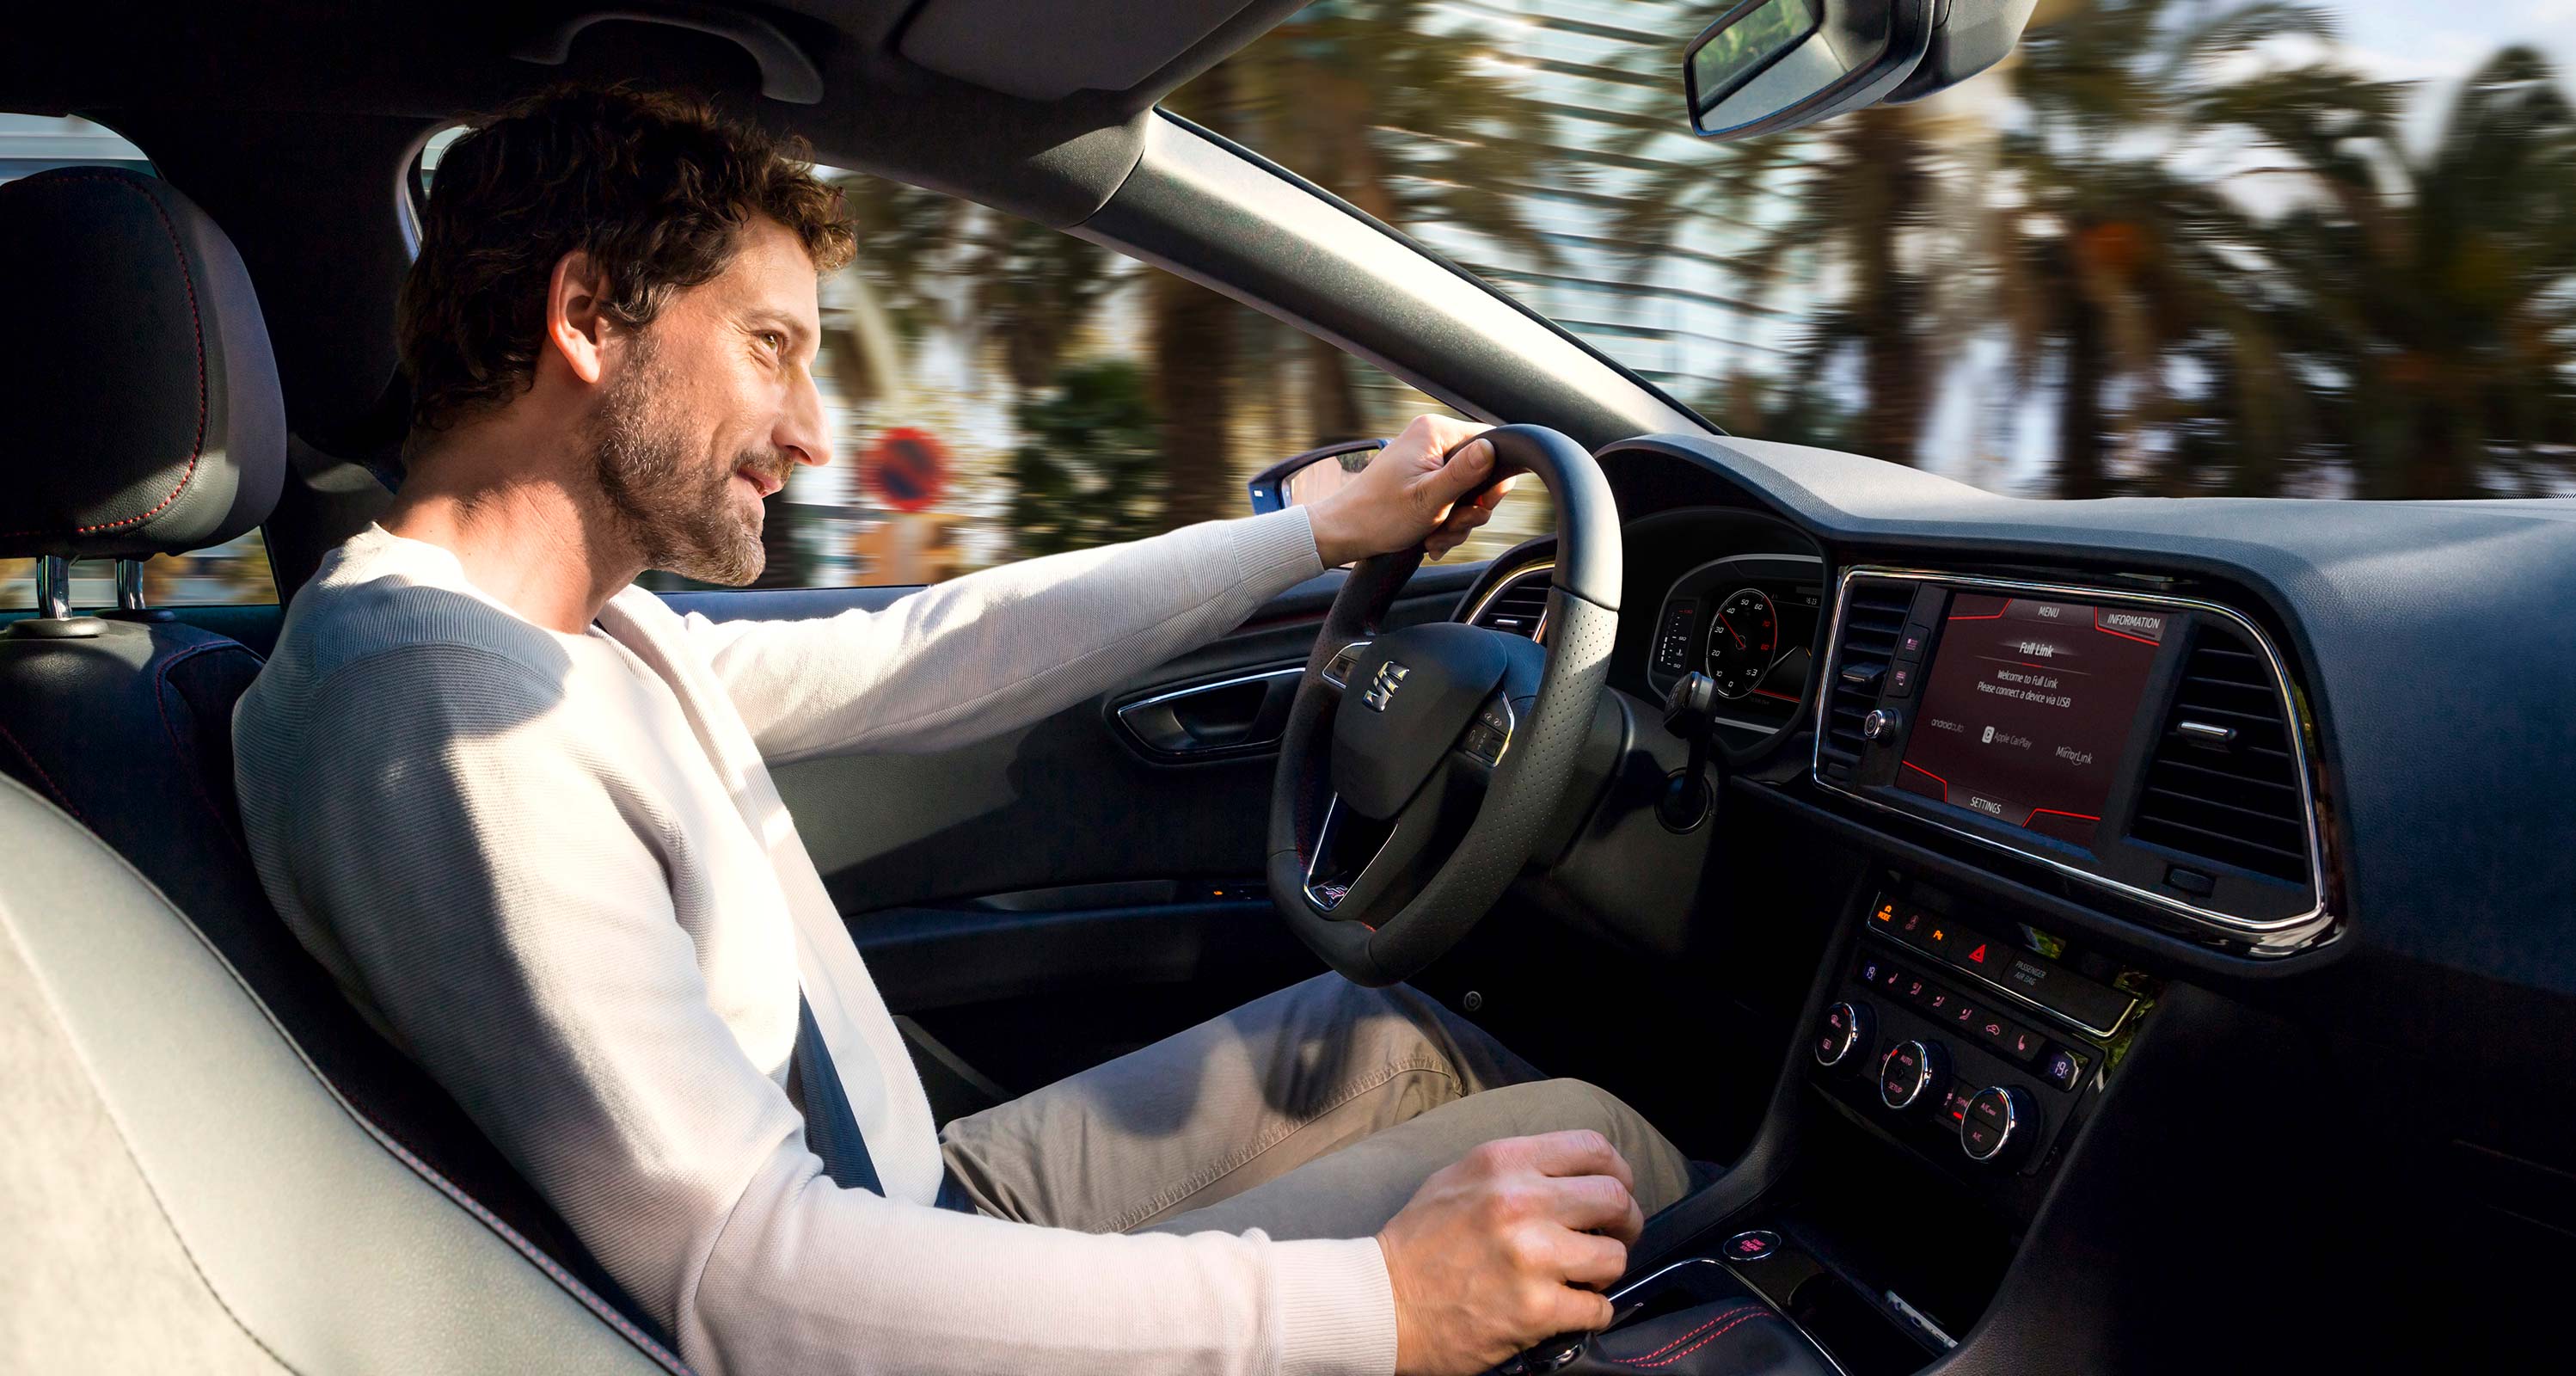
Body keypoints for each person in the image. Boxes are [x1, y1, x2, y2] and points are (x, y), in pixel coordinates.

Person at [234, 86, 1695, 1376]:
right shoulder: (443, 714)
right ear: (589, 320)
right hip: (855, 1290)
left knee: (1397, 1039)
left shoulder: (567, 633)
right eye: (768, 345)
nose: (813, 431)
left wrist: (1319, 530)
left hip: (920, 1196)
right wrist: (1375, 1308)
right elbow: (757, 1283)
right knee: (1595, 1147)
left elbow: (938, 653)